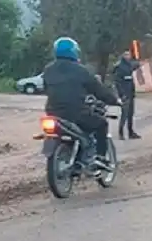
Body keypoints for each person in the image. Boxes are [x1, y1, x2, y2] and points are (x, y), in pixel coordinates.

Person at [42, 36, 121, 169]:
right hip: (75, 113)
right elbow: (98, 90)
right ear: (73, 51)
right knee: (101, 123)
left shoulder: (48, 69)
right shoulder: (80, 70)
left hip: (52, 113)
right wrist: (114, 100)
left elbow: (46, 89)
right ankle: (100, 158)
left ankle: (75, 157)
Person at [111, 49, 141, 140]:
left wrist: (137, 57)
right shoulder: (120, 67)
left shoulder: (129, 65)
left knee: (130, 114)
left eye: (129, 54)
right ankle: (121, 133)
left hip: (130, 93)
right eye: (126, 54)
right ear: (123, 55)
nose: (128, 56)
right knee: (124, 114)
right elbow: (117, 82)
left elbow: (136, 65)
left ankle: (130, 132)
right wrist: (121, 94)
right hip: (125, 94)